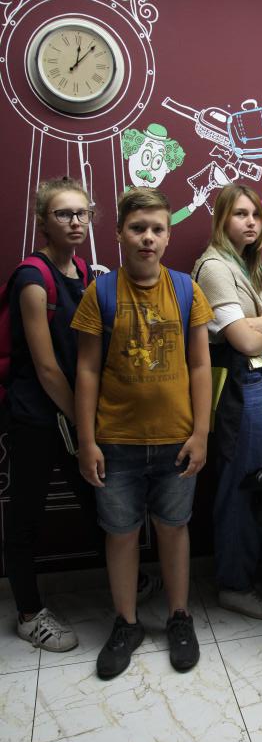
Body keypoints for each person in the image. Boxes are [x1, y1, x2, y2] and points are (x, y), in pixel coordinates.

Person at [72, 188, 214, 679]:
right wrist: (87, 441)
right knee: (121, 534)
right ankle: (127, 623)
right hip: (116, 443)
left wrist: (201, 433)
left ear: (169, 236)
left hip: (177, 440)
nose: (147, 238)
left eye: (157, 229)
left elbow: (201, 364)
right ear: (118, 234)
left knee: (174, 529)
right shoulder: (101, 294)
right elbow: (87, 370)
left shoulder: (186, 290)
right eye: (137, 228)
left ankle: (179, 616)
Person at [4, 177, 95, 652]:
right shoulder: (32, 279)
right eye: (64, 213)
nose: (76, 221)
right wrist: (83, 420)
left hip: (71, 412)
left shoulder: (81, 269)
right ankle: (27, 613)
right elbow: (45, 367)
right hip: (36, 416)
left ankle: (123, 576)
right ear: (43, 221)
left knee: (100, 502)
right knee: (26, 515)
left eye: (82, 212)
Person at [193, 184, 262, 619]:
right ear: (221, 219)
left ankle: (247, 572)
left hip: (256, 379)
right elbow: (245, 340)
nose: (251, 222)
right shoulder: (214, 267)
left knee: (254, 478)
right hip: (236, 380)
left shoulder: (251, 265)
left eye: (255, 215)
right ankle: (234, 584)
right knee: (240, 483)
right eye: (240, 214)